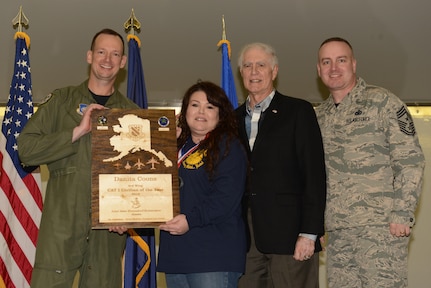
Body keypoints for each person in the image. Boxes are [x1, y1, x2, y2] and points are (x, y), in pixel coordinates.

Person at [17, 28, 139, 287]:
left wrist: (129, 216)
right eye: (102, 52)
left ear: (123, 62)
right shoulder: (61, 101)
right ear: (89, 56)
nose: (108, 59)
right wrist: (77, 132)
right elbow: (25, 149)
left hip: (107, 231)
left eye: (115, 54)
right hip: (61, 226)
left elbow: (141, 177)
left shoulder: (133, 114)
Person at [315, 37, 425, 288]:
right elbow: (315, 176)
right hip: (339, 233)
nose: (334, 67)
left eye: (341, 60)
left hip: (381, 228)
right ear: (319, 69)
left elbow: (410, 161)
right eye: (326, 62)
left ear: (353, 64)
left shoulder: (383, 102)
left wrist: (403, 211)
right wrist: (316, 224)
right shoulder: (318, 117)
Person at [235, 42, 327, 288]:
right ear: (241, 73)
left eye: (261, 65)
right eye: (248, 66)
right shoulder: (230, 120)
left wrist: (309, 233)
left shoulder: (298, 111)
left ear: (274, 72)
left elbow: (314, 175)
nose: (254, 71)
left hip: (291, 236)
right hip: (245, 239)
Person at [157, 81, 247, 288]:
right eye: (195, 105)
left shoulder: (228, 146)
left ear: (220, 114)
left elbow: (225, 199)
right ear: (185, 110)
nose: (201, 112)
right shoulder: (174, 146)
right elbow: (149, 184)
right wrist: (163, 143)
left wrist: (190, 220)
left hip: (213, 255)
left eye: (210, 107)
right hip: (175, 255)